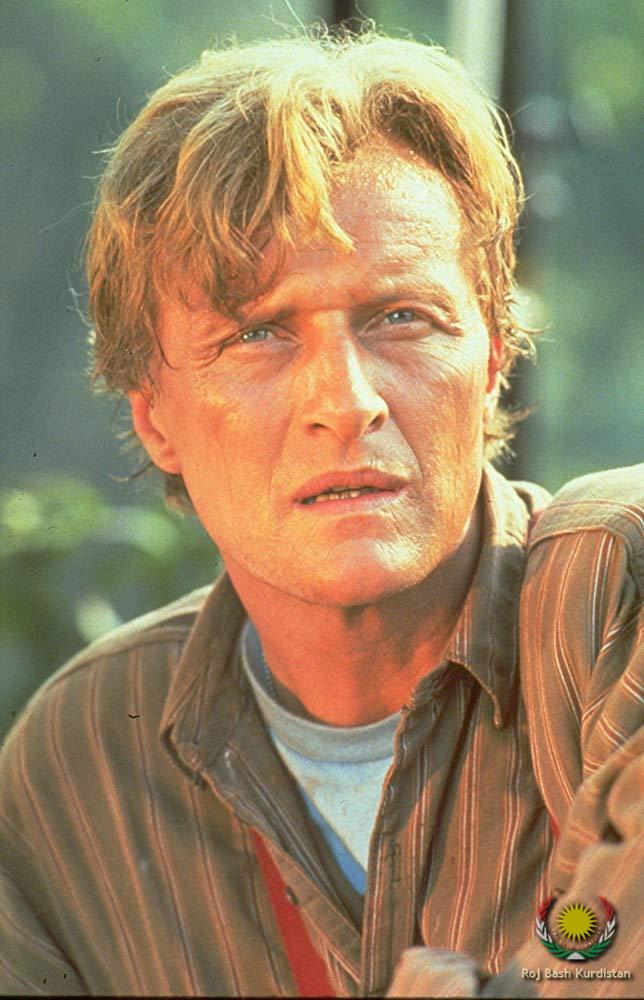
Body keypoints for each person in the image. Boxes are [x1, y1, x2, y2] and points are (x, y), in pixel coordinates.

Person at [0, 30, 641, 998]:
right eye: (256, 334)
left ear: (493, 360)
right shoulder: (80, 761)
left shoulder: (614, 586)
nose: (345, 402)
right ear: (155, 417)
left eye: (400, 318)